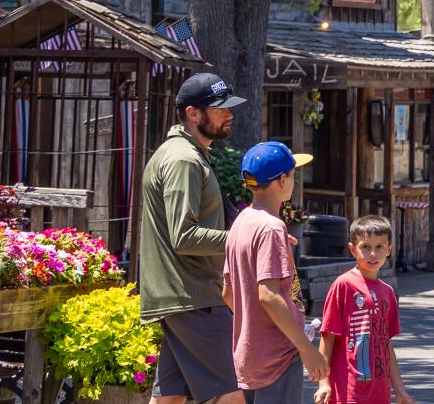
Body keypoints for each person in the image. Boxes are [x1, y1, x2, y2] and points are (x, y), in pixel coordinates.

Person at [139, 71, 249, 404]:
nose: (229, 114)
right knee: (231, 394)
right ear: (193, 113)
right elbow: (183, 236)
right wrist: (242, 239)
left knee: (169, 398)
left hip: (182, 297)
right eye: (220, 108)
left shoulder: (187, 154)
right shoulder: (183, 160)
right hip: (194, 297)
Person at [223, 143, 327, 404]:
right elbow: (268, 296)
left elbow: (227, 292)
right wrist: (305, 347)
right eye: (292, 175)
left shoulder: (241, 223)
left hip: (249, 356)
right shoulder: (271, 228)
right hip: (278, 357)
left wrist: (253, 324)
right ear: (282, 180)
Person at [312, 215, 413, 404]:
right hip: (348, 391)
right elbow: (328, 337)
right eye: (365, 247)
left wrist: (400, 391)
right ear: (353, 249)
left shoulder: (388, 292)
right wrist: (323, 382)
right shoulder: (344, 285)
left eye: (379, 247)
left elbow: (386, 344)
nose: (372, 254)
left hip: (379, 393)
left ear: (389, 249)